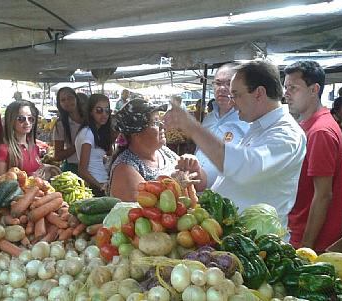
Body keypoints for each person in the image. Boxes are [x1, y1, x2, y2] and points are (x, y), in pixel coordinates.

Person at [164, 60, 306, 233]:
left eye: (237, 94)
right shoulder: (258, 127)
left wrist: (194, 129)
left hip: (256, 244)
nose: (233, 101)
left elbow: (247, 167)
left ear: (259, 93)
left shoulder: (287, 134)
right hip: (233, 235)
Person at [284, 61, 342, 251]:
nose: (286, 93)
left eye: (293, 88)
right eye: (285, 87)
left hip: (311, 241)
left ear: (314, 89)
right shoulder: (308, 126)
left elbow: (323, 195)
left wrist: (306, 247)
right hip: (297, 231)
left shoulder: (320, 132)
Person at [109, 98, 204, 201]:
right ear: (136, 133)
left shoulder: (164, 152)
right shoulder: (124, 168)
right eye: (155, 123)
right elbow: (143, 210)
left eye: (160, 120)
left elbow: (200, 186)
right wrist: (174, 186)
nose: (162, 125)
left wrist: (195, 168)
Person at [195, 63, 250, 188]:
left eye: (228, 83)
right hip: (200, 195)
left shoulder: (247, 119)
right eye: (218, 83)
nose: (222, 88)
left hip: (228, 197)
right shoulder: (208, 118)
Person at [0, 100, 60, 179]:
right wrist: (30, 179)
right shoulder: (3, 150)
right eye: (21, 118)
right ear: (11, 121)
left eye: (30, 118)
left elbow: (34, 170)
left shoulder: (35, 147)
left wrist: (47, 168)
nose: (27, 122)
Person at [75, 94, 113, 196]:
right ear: (91, 112)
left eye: (107, 110)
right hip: (96, 187)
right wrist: (101, 187)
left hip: (103, 182)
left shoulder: (96, 132)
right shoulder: (87, 134)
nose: (104, 114)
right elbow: (82, 170)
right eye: (99, 110)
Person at [52, 87, 84, 173]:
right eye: (63, 100)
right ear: (60, 104)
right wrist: (77, 146)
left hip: (93, 167)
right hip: (73, 169)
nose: (67, 102)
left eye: (70, 98)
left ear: (76, 98)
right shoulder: (60, 125)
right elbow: (57, 156)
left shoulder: (89, 119)